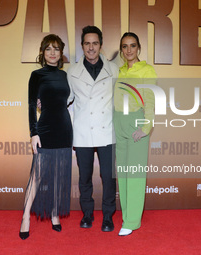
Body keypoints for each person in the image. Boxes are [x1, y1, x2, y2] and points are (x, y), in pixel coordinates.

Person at [19, 34, 73, 240]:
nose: (52, 53)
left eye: (56, 49)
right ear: (43, 52)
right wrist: (34, 133)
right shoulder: (36, 75)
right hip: (46, 130)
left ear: (61, 53)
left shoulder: (65, 76)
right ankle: (25, 217)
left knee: (59, 176)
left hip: (65, 129)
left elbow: (68, 99)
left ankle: (54, 214)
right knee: (37, 176)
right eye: (48, 49)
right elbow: (33, 105)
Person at [67, 26, 119, 232]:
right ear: (82, 46)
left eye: (95, 43)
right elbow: (66, 99)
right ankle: (87, 214)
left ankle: (108, 216)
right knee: (85, 177)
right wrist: (47, 103)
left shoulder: (114, 70)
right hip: (82, 132)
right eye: (87, 43)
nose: (91, 47)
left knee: (108, 177)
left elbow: (122, 100)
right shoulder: (72, 72)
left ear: (101, 45)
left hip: (107, 131)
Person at [113, 32, 157, 236]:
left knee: (136, 174)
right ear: (121, 50)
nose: (128, 50)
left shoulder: (146, 70)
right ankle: (127, 215)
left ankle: (132, 221)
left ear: (138, 48)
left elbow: (151, 101)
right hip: (119, 122)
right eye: (124, 46)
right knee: (123, 173)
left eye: (132, 46)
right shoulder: (120, 70)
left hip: (137, 122)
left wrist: (146, 128)